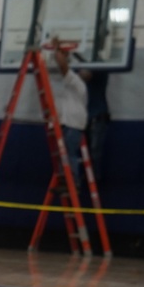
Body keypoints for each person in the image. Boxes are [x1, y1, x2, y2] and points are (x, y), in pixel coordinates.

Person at [50, 38, 87, 190]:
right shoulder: (68, 86)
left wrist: (57, 49)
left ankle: (73, 182)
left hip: (73, 124)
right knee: (63, 152)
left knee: (69, 153)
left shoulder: (77, 82)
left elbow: (63, 66)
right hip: (67, 123)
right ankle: (65, 180)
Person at [81, 68, 110, 182]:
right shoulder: (94, 72)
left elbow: (85, 75)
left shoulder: (100, 70)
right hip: (89, 116)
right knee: (88, 150)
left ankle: (94, 177)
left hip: (97, 117)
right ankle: (90, 175)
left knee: (94, 150)